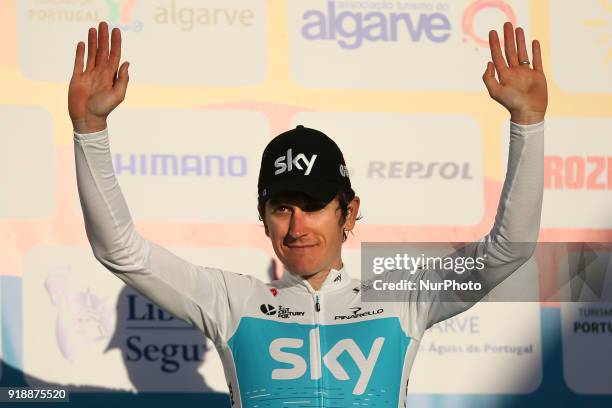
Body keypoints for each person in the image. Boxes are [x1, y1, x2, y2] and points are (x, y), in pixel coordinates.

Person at [69, 20, 546, 407]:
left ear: (349, 212)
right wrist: (90, 128)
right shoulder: (229, 300)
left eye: (314, 207)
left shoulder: (406, 298)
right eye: (282, 208)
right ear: (263, 217)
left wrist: (528, 122)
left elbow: (510, 249)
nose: (297, 227)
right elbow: (120, 250)